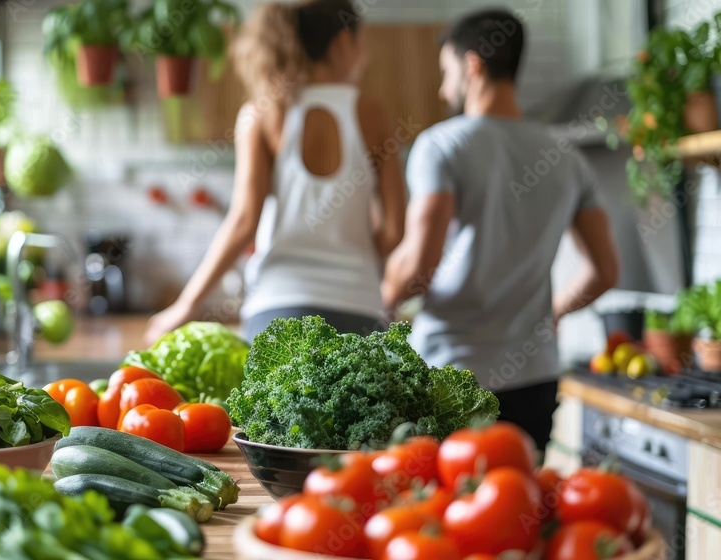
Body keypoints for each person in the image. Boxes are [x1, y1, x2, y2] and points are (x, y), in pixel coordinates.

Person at [382, 9, 619, 452]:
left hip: (450, 376)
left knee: (437, 514)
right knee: (518, 511)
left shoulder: (443, 145)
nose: (441, 88)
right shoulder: (567, 158)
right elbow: (605, 271)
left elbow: (418, 266)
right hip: (535, 378)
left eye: (446, 72)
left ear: (472, 65)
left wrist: (383, 295)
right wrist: (553, 313)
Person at [145, 0, 406, 344]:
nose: (365, 55)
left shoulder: (262, 113)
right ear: (343, 41)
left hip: (277, 306)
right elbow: (393, 232)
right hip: (358, 307)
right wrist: (350, 242)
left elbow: (243, 221)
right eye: (361, 43)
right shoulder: (372, 114)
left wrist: (185, 306)